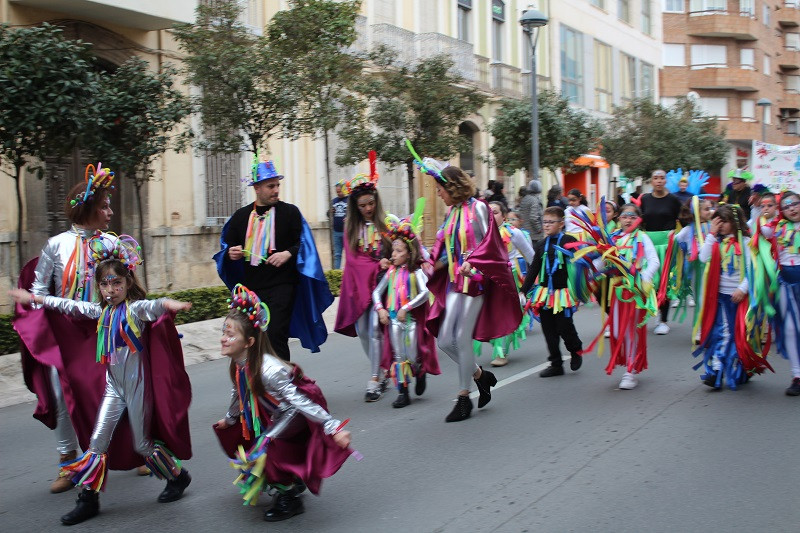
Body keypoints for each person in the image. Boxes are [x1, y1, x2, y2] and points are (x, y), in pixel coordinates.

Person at [10, 235, 194, 525]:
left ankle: (177, 475)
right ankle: (88, 498)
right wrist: (34, 297)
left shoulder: (135, 310)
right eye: (105, 284)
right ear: (99, 286)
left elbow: (156, 305)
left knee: (143, 445)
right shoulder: (99, 312)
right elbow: (67, 305)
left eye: (117, 284)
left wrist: (173, 304)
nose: (111, 290)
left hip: (137, 388)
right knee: (96, 443)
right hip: (114, 388)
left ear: (127, 283)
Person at [213, 285, 354, 522]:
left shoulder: (269, 369)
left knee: (264, 449)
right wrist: (229, 419)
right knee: (252, 441)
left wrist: (333, 427)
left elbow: (301, 402)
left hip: (293, 414)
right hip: (275, 414)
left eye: (230, 334)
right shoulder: (239, 364)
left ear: (248, 342)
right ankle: (291, 480)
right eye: (224, 332)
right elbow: (239, 394)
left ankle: (290, 499)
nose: (223, 339)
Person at [14, 163, 114, 493]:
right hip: (66, 334)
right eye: (104, 206)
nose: (110, 212)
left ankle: (134, 452)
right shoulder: (56, 246)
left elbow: (126, 288)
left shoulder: (112, 245)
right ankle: (68, 461)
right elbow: (39, 292)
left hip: (106, 329)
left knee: (119, 392)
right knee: (62, 396)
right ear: (88, 209)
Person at [407, 144, 521, 423]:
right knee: (445, 340)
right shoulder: (452, 213)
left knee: (461, 338)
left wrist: (476, 264)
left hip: (478, 283)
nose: (438, 194)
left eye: (440, 189)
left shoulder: (479, 209)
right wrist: (428, 260)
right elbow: (446, 249)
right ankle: (482, 377)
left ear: (453, 187)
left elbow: (490, 244)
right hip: (457, 282)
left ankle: (463, 397)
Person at [215, 158, 333, 361]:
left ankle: (282, 384)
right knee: (251, 337)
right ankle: (257, 383)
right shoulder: (240, 217)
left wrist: (287, 253)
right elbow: (228, 247)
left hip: (283, 285)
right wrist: (231, 253)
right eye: (271, 186)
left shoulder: (290, 213)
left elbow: (304, 244)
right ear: (257, 188)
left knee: (276, 334)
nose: (276, 190)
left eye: (278, 185)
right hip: (252, 290)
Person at [334, 152, 393, 402]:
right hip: (359, 284)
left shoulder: (387, 224)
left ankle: (374, 379)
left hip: (383, 284)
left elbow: (398, 251)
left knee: (374, 328)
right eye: (362, 206)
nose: (367, 209)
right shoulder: (351, 227)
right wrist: (374, 264)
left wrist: (391, 260)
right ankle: (381, 369)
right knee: (362, 331)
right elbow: (354, 259)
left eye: (370, 204)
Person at [694, 205, 769, 389]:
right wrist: (711, 234)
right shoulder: (715, 241)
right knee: (723, 333)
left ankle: (742, 366)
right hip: (720, 297)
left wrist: (743, 289)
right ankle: (718, 371)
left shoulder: (745, 241)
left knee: (742, 334)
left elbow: (754, 269)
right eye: (717, 220)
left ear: (735, 223)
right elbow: (703, 258)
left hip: (740, 298)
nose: (720, 225)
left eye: (724, 221)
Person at [372, 207, 439, 407]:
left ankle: (420, 371)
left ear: (409, 252)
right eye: (393, 250)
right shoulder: (390, 272)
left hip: (410, 321)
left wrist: (406, 308)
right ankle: (403, 391)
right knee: (398, 356)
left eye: (399, 250)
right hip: (393, 320)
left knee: (412, 355)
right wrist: (380, 309)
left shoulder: (415, 271)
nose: (394, 254)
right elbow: (377, 292)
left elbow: (425, 292)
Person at [592, 204, 660, 389]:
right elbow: (601, 262)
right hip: (618, 290)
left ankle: (630, 371)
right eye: (624, 216)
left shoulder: (642, 237)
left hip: (635, 292)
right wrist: (591, 267)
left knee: (630, 331)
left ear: (638, 219)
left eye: (632, 216)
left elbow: (654, 261)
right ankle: (631, 364)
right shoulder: (613, 238)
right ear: (618, 219)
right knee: (615, 332)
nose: (628, 220)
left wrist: (643, 277)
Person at [520, 206, 584, 377]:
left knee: (564, 326)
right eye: (545, 222)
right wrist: (523, 291)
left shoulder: (569, 241)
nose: (546, 225)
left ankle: (575, 349)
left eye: (551, 222)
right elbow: (533, 269)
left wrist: (581, 290)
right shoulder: (541, 245)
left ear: (561, 223)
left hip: (563, 293)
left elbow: (579, 266)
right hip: (545, 293)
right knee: (548, 330)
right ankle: (556, 364)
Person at [481, 201, 534, 367]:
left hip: (507, 279)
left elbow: (531, 256)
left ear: (504, 216)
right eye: (487, 212)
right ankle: (498, 342)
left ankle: (501, 352)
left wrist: (533, 281)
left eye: (495, 212)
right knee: (486, 317)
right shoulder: (480, 233)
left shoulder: (514, 233)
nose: (491, 215)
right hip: (485, 280)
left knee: (502, 315)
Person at [761, 192, 800, 396]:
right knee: (792, 330)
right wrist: (761, 210)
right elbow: (756, 229)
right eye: (786, 206)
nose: (792, 208)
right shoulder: (777, 228)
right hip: (786, 284)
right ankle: (797, 375)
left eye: (795, 203)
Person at [639, 169, 683, 335]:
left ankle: (663, 319)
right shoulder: (645, 199)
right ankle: (651, 311)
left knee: (665, 281)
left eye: (661, 178)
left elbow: (684, 218)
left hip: (667, 244)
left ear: (666, 181)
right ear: (651, 181)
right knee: (650, 279)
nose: (658, 181)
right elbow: (639, 219)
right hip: (649, 242)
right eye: (655, 178)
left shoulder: (673, 200)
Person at [519, 179, 544, 243]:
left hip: (525, 231)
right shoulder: (535, 200)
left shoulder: (525, 198)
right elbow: (533, 217)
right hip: (534, 234)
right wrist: (539, 229)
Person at [330, 182, 347, 269]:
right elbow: (328, 214)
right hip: (336, 231)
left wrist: (349, 218)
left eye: (340, 191)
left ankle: (349, 272)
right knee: (337, 254)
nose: (339, 193)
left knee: (349, 254)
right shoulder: (334, 201)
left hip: (347, 232)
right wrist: (330, 212)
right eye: (337, 192)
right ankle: (337, 272)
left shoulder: (349, 200)